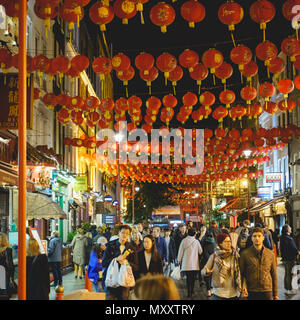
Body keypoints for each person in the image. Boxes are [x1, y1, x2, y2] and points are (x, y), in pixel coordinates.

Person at [240, 227, 278, 300]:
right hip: (251, 290)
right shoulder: (245, 254)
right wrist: (242, 288)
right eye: (254, 236)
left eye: (259, 236)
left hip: (267, 289)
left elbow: (274, 274)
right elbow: (241, 273)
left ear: (263, 238)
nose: (257, 238)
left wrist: (275, 294)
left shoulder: (270, 254)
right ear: (251, 238)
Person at [201, 233, 241, 300]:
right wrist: (206, 272)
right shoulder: (214, 256)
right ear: (220, 243)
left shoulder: (235, 255)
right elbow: (203, 271)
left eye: (229, 241)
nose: (229, 243)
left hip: (233, 293)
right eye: (226, 241)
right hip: (219, 294)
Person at [102, 225, 137, 300]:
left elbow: (136, 266)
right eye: (123, 232)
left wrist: (126, 263)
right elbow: (104, 263)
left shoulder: (131, 249)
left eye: (127, 233)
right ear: (119, 233)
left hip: (124, 282)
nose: (124, 235)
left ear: (129, 235)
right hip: (111, 282)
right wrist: (115, 259)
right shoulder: (110, 246)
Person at [177, 228, 203, 299]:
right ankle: (192, 291)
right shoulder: (196, 242)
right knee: (193, 278)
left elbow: (180, 252)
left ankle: (189, 293)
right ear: (194, 234)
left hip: (186, 263)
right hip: (194, 264)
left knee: (188, 278)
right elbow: (200, 251)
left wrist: (179, 260)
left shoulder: (184, 241)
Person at [279, 224, 300, 295]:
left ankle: (287, 288)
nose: (291, 229)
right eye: (290, 228)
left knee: (287, 274)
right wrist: (298, 252)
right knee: (290, 274)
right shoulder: (289, 238)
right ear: (287, 230)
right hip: (290, 259)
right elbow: (294, 249)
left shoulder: (282, 237)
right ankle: (290, 289)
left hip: (285, 258)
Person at [199, 231, 216, 297]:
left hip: (205, 261)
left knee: (206, 276)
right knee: (212, 276)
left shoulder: (203, 242)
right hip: (213, 261)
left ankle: (208, 290)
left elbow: (201, 252)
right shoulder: (214, 243)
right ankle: (211, 289)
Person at [0, 232, 15, 300]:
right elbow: (10, 264)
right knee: (4, 292)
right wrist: (12, 275)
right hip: (4, 272)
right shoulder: (8, 250)